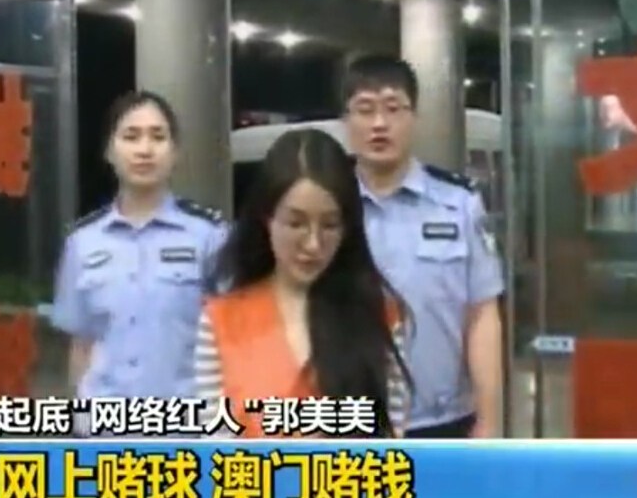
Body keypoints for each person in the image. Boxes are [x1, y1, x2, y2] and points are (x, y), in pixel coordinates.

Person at [194, 128, 413, 438]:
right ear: (267, 219)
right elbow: (216, 439)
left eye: (330, 225)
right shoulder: (220, 321)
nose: (313, 244)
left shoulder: (381, 318)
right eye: (296, 223)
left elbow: (391, 438)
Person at [341, 54, 504, 438]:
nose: (379, 123)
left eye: (393, 108)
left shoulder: (458, 203)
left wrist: (490, 420)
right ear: (346, 121)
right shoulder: (328, 205)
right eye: (365, 110)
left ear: (414, 117)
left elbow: (482, 315)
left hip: (445, 421)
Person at [51, 90, 226, 436]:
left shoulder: (209, 236)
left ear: (175, 151)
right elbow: (81, 346)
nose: (145, 149)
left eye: (158, 137)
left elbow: (231, 341)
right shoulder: (83, 242)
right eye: (131, 136)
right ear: (109, 151)